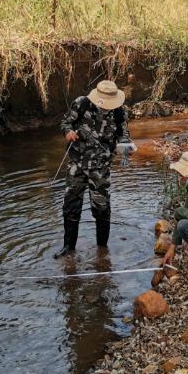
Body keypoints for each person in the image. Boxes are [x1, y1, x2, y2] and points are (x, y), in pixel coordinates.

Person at [55, 80, 133, 258]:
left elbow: (124, 134)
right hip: (77, 164)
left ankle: (102, 250)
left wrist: (126, 147)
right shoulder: (82, 103)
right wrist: (68, 132)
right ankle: (68, 247)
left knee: (101, 208)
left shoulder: (120, 111)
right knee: (71, 205)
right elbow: (66, 123)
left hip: (101, 167)